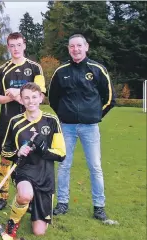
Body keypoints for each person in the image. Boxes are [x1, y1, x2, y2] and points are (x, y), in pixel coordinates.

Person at [48, 34, 115, 220]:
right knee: (63, 165)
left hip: (90, 127)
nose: (75, 49)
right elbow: (53, 98)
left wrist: (94, 115)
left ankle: (99, 206)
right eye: (72, 46)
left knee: (95, 166)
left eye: (79, 45)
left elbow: (109, 98)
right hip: (66, 127)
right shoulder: (61, 71)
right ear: (68, 49)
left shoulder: (97, 69)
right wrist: (64, 114)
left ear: (86, 47)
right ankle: (62, 203)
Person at [2, 82, 66, 237]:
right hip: (24, 171)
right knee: (24, 195)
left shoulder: (51, 121)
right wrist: (18, 152)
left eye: (34, 97)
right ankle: (13, 221)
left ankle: (30, 206)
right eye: (26, 98)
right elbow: (5, 150)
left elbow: (61, 154)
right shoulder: (15, 121)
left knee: (39, 232)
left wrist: (43, 149)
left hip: (45, 174)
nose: (30, 101)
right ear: (21, 100)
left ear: (41, 98)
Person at [0, 32, 46, 211]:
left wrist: (20, 94)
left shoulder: (35, 68)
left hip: (30, 121)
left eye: (19, 45)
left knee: (30, 159)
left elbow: (41, 95)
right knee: (6, 158)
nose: (16, 49)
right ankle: (2, 197)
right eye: (12, 45)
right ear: (8, 47)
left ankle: (29, 197)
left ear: (24, 45)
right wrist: (12, 97)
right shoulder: (1, 70)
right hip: (7, 121)